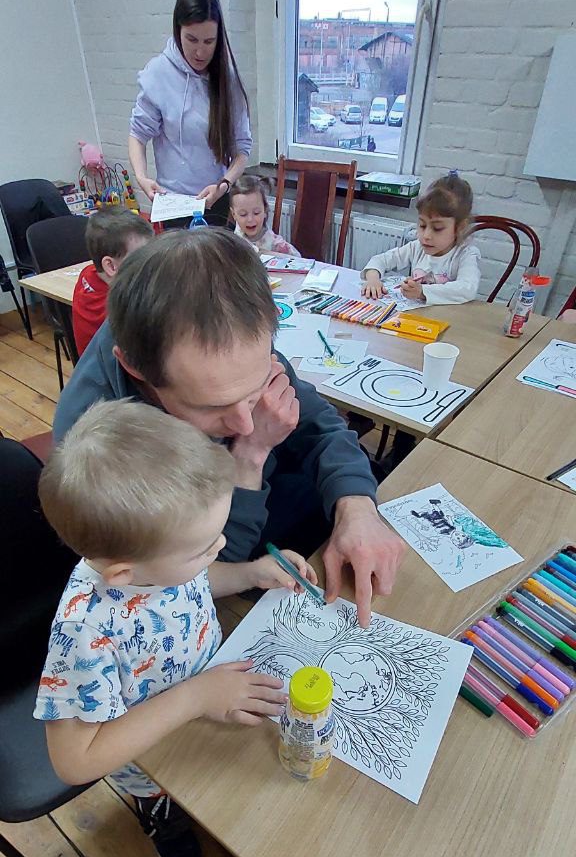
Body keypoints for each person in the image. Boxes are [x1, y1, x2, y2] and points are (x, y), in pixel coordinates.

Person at [53, 229, 405, 627]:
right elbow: (194, 567)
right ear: (137, 370)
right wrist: (251, 454)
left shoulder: (229, 341)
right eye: (213, 406)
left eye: (254, 392)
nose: (245, 422)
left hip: (267, 528)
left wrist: (356, 509)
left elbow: (320, 426)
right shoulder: (98, 446)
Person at [35, 400, 318, 857]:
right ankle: (158, 812)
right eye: (203, 548)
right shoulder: (83, 631)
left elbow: (193, 582)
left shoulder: (156, 563)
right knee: (177, 792)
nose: (220, 547)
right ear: (124, 575)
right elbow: (75, 762)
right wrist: (195, 697)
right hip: (153, 753)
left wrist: (249, 573)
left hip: (211, 697)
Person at [128, 0, 252, 227]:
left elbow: (242, 148)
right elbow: (137, 135)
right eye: (192, 39)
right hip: (173, 204)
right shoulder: (158, 74)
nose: (200, 52)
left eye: (209, 41)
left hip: (216, 199)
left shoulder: (226, 79)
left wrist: (224, 184)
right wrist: (142, 177)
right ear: (178, 31)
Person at [363, 173, 481, 304]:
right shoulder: (416, 247)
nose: (426, 236)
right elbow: (380, 260)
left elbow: (467, 289)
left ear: (460, 228)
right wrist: (373, 280)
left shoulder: (466, 254)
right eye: (422, 225)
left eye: (437, 228)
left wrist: (422, 292)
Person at [72, 207, 153, 356]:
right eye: (140, 258)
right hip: (119, 369)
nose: (150, 264)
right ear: (110, 266)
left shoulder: (88, 273)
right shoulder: (124, 309)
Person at [230, 175, 300, 256]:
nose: (250, 219)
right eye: (243, 214)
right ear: (234, 214)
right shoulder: (233, 237)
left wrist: (270, 254)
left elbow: (297, 257)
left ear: (265, 211)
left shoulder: (275, 243)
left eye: (256, 213)